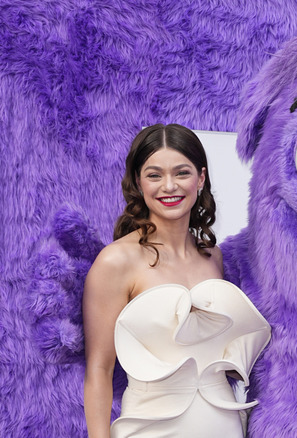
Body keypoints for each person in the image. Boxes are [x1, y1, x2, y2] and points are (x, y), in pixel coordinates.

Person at [83, 124, 270, 438]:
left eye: (181, 173)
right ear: (138, 183)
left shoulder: (214, 258)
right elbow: (99, 372)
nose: (169, 186)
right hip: (150, 428)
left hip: (224, 426)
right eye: (154, 175)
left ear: (200, 178)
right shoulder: (115, 262)